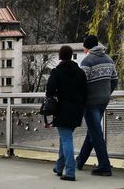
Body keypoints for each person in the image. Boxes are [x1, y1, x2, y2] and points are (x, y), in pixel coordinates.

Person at [76, 35, 117, 176]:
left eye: (84, 46)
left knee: (96, 133)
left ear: (87, 47)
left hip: (91, 102)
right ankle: (80, 161)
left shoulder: (87, 62)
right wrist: (106, 93)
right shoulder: (109, 59)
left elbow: (80, 84)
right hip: (103, 101)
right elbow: (114, 80)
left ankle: (105, 167)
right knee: (93, 132)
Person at [47, 45, 87, 181]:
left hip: (63, 109)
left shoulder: (57, 72)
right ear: (71, 56)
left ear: (60, 56)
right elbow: (85, 92)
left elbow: (50, 91)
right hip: (77, 109)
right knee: (64, 138)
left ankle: (70, 172)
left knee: (66, 139)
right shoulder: (80, 72)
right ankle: (59, 167)